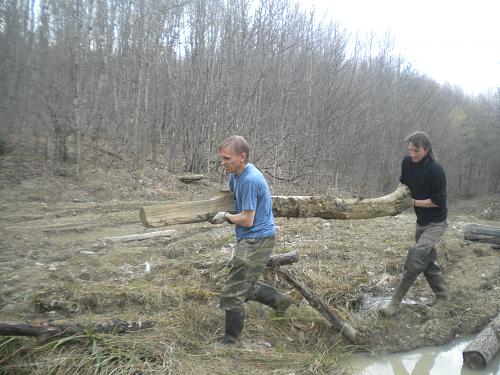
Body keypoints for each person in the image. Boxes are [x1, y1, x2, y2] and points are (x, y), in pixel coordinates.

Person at [211, 135, 293, 344]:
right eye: (222, 158)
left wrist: (226, 217)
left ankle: (231, 340)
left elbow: (247, 220)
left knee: (232, 292)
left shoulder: (249, 179)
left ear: (242, 157)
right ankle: (281, 301)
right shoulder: (235, 174)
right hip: (251, 237)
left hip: (257, 239)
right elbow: (233, 196)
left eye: (227, 158)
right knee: (243, 286)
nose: (223, 163)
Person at [381, 131, 448, 317]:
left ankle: (394, 302)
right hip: (421, 221)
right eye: (410, 149)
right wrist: (394, 202)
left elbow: (438, 201)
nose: (412, 153)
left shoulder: (436, 170)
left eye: (416, 150)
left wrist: (412, 203)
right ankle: (443, 296)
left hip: (436, 222)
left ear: (426, 149)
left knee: (417, 257)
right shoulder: (407, 162)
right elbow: (404, 185)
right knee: (427, 261)